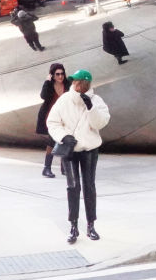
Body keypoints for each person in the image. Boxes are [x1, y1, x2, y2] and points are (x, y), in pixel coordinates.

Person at [47, 69, 110, 244]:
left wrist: (91, 108)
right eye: (74, 81)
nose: (75, 84)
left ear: (86, 83)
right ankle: (73, 226)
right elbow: (52, 122)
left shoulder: (97, 101)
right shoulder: (65, 100)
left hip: (90, 149)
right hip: (70, 150)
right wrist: (63, 136)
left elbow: (101, 123)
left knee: (89, 186)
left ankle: (91, 225)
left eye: (78, 81)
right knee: (73, 187)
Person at [36, 63, 70, 178]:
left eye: (62, 74)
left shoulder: (68, 85)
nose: (60, 76)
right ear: (52, 75)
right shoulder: (49, 85)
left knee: (65, 140)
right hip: (51, 118)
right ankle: (46, 168)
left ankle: (64, 167)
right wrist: (47, 81)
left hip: (65, 117)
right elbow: (43, 96)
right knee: (51, 141)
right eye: (57, 74)